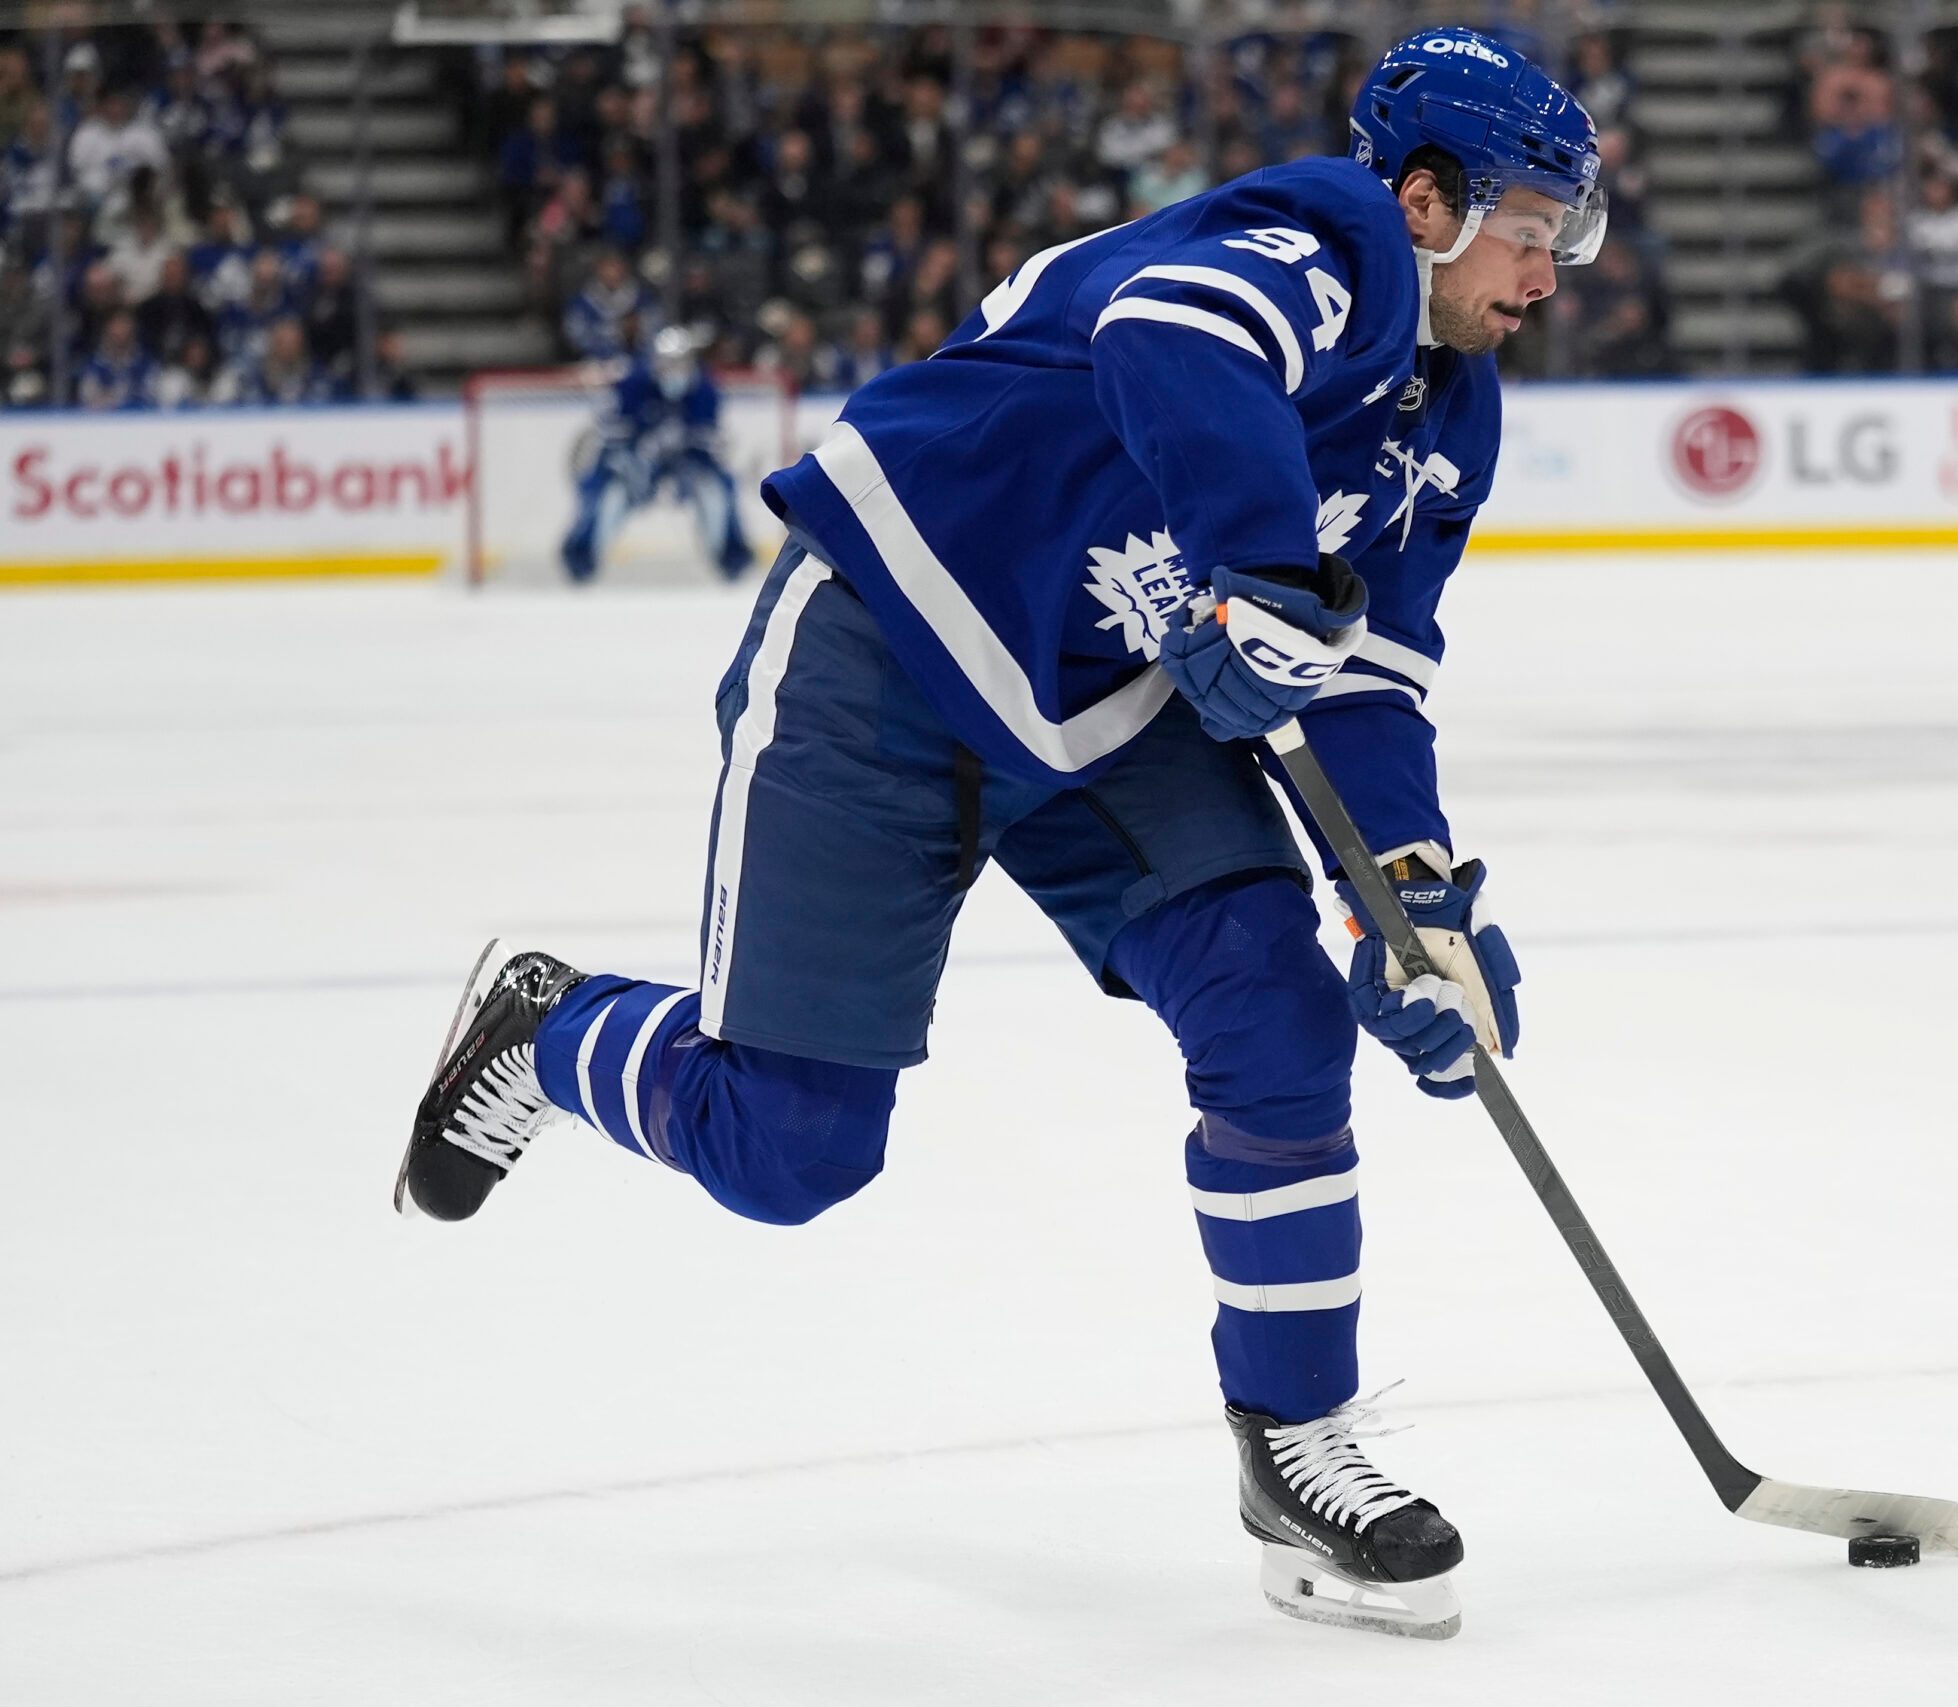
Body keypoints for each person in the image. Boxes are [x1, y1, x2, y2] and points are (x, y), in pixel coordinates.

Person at [395, 26, 1603, 1640]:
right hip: (890, 647)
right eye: (1529, 230)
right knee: (789, 1148)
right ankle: (551, 1032)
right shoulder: (1326, 248)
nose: (1545, 275)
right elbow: (1173, 340)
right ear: (1431, 197)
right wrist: (1259, 575)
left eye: (1563, 242)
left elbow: (1370, 677)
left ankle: (1295, 1445)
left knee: (1282, 1013)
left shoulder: (1451, 417)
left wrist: (1412, 896)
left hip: (1103, 703)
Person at [558, 325, 757, 581]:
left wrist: (690, 449)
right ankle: (581, 558)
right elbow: (611, 433)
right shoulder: (633, 384)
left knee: (719, 493)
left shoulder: (704, 388)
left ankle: (732, 559)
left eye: (679, 362)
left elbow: (711, 441)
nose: (672, 370)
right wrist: (631, 459)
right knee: (605, 494)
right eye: (666, 363)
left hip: (687, 462)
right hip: (637, 462)